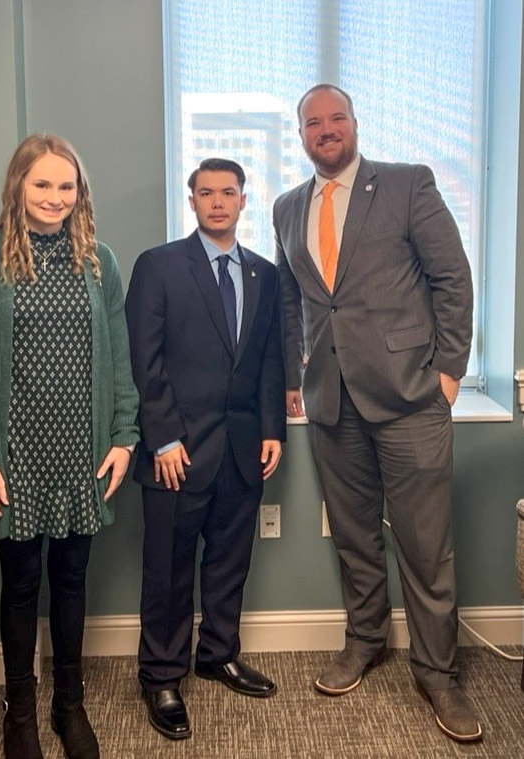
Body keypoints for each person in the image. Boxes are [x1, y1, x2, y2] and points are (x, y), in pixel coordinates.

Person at [273, 84, 481, 743]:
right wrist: (290, 377)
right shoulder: (285, 208)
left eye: (336, 119)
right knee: (356, 536)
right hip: (332, 400)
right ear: (300, 134)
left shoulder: (405, 184)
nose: (325, 130)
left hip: (410, 396)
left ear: (354, 125)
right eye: (313, 122)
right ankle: (364, 640)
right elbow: (288, 302)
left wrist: (447, 373)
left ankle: (436, 671)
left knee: (423, 544)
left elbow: (452, 276)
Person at [0, 134, 139, 759]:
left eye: (67, 186)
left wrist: (123, 437)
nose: (55, 198)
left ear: (80, 191)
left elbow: (120, 361)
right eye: (42, 184)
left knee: (73, 580)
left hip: (82, 453)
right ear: (18, 186)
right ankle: (20, 710)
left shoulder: (98, 261)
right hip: (14, 457)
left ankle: (69, 703)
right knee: (22, 584)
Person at [125, 158, 286, 740]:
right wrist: (163, 437)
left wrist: (273, 429)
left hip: (244, 448)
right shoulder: (160, 266)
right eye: (206, 193)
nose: (218, 202)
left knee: (229, 560)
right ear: (190, 201)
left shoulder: (264, 274)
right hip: (177, 452)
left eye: (229, 192)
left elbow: (269, 357)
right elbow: (143, 361)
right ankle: (161, 674)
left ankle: (219, 653)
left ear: (244, 201)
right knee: (167, 568)